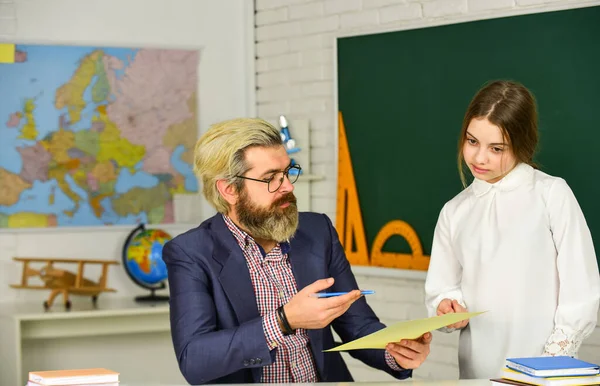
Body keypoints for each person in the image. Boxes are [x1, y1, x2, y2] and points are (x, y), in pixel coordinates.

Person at [162, 118, 432, 384]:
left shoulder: (318, 230)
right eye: (271, 179)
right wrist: (284, 321)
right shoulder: (190, 252)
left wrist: (396, 353)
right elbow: (195, 360)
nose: (288, 187)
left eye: (288, 172)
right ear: (230, 190)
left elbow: (357, 325)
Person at [424, 80, 600, 379]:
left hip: (544, 369)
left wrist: (547, 365)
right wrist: (447, 307)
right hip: (476, 369)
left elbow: (581, 290)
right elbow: (442, 287)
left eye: (496, 148)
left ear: (521, 143)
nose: (479, 158)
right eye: (472, 141)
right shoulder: (454, 211)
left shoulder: (551, 195)